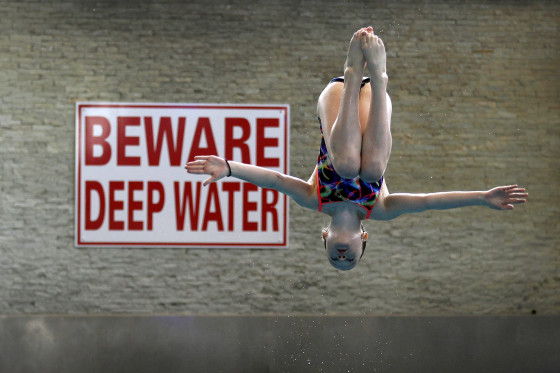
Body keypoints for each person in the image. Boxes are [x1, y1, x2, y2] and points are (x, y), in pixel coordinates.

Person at [185, 27, 527, 271]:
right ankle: (379, 79)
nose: (343, 257)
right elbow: (428, 201)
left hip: (339, 100)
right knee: (372, 171)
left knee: (347, 165)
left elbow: (273, 179)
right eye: (351, 258)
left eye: (336, 258)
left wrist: (230, 167)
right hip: (376, 104)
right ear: (364, 237)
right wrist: (481, 196)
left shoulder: (312, 198)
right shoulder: (380, 209)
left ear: (325, 237)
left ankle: (353, 73)